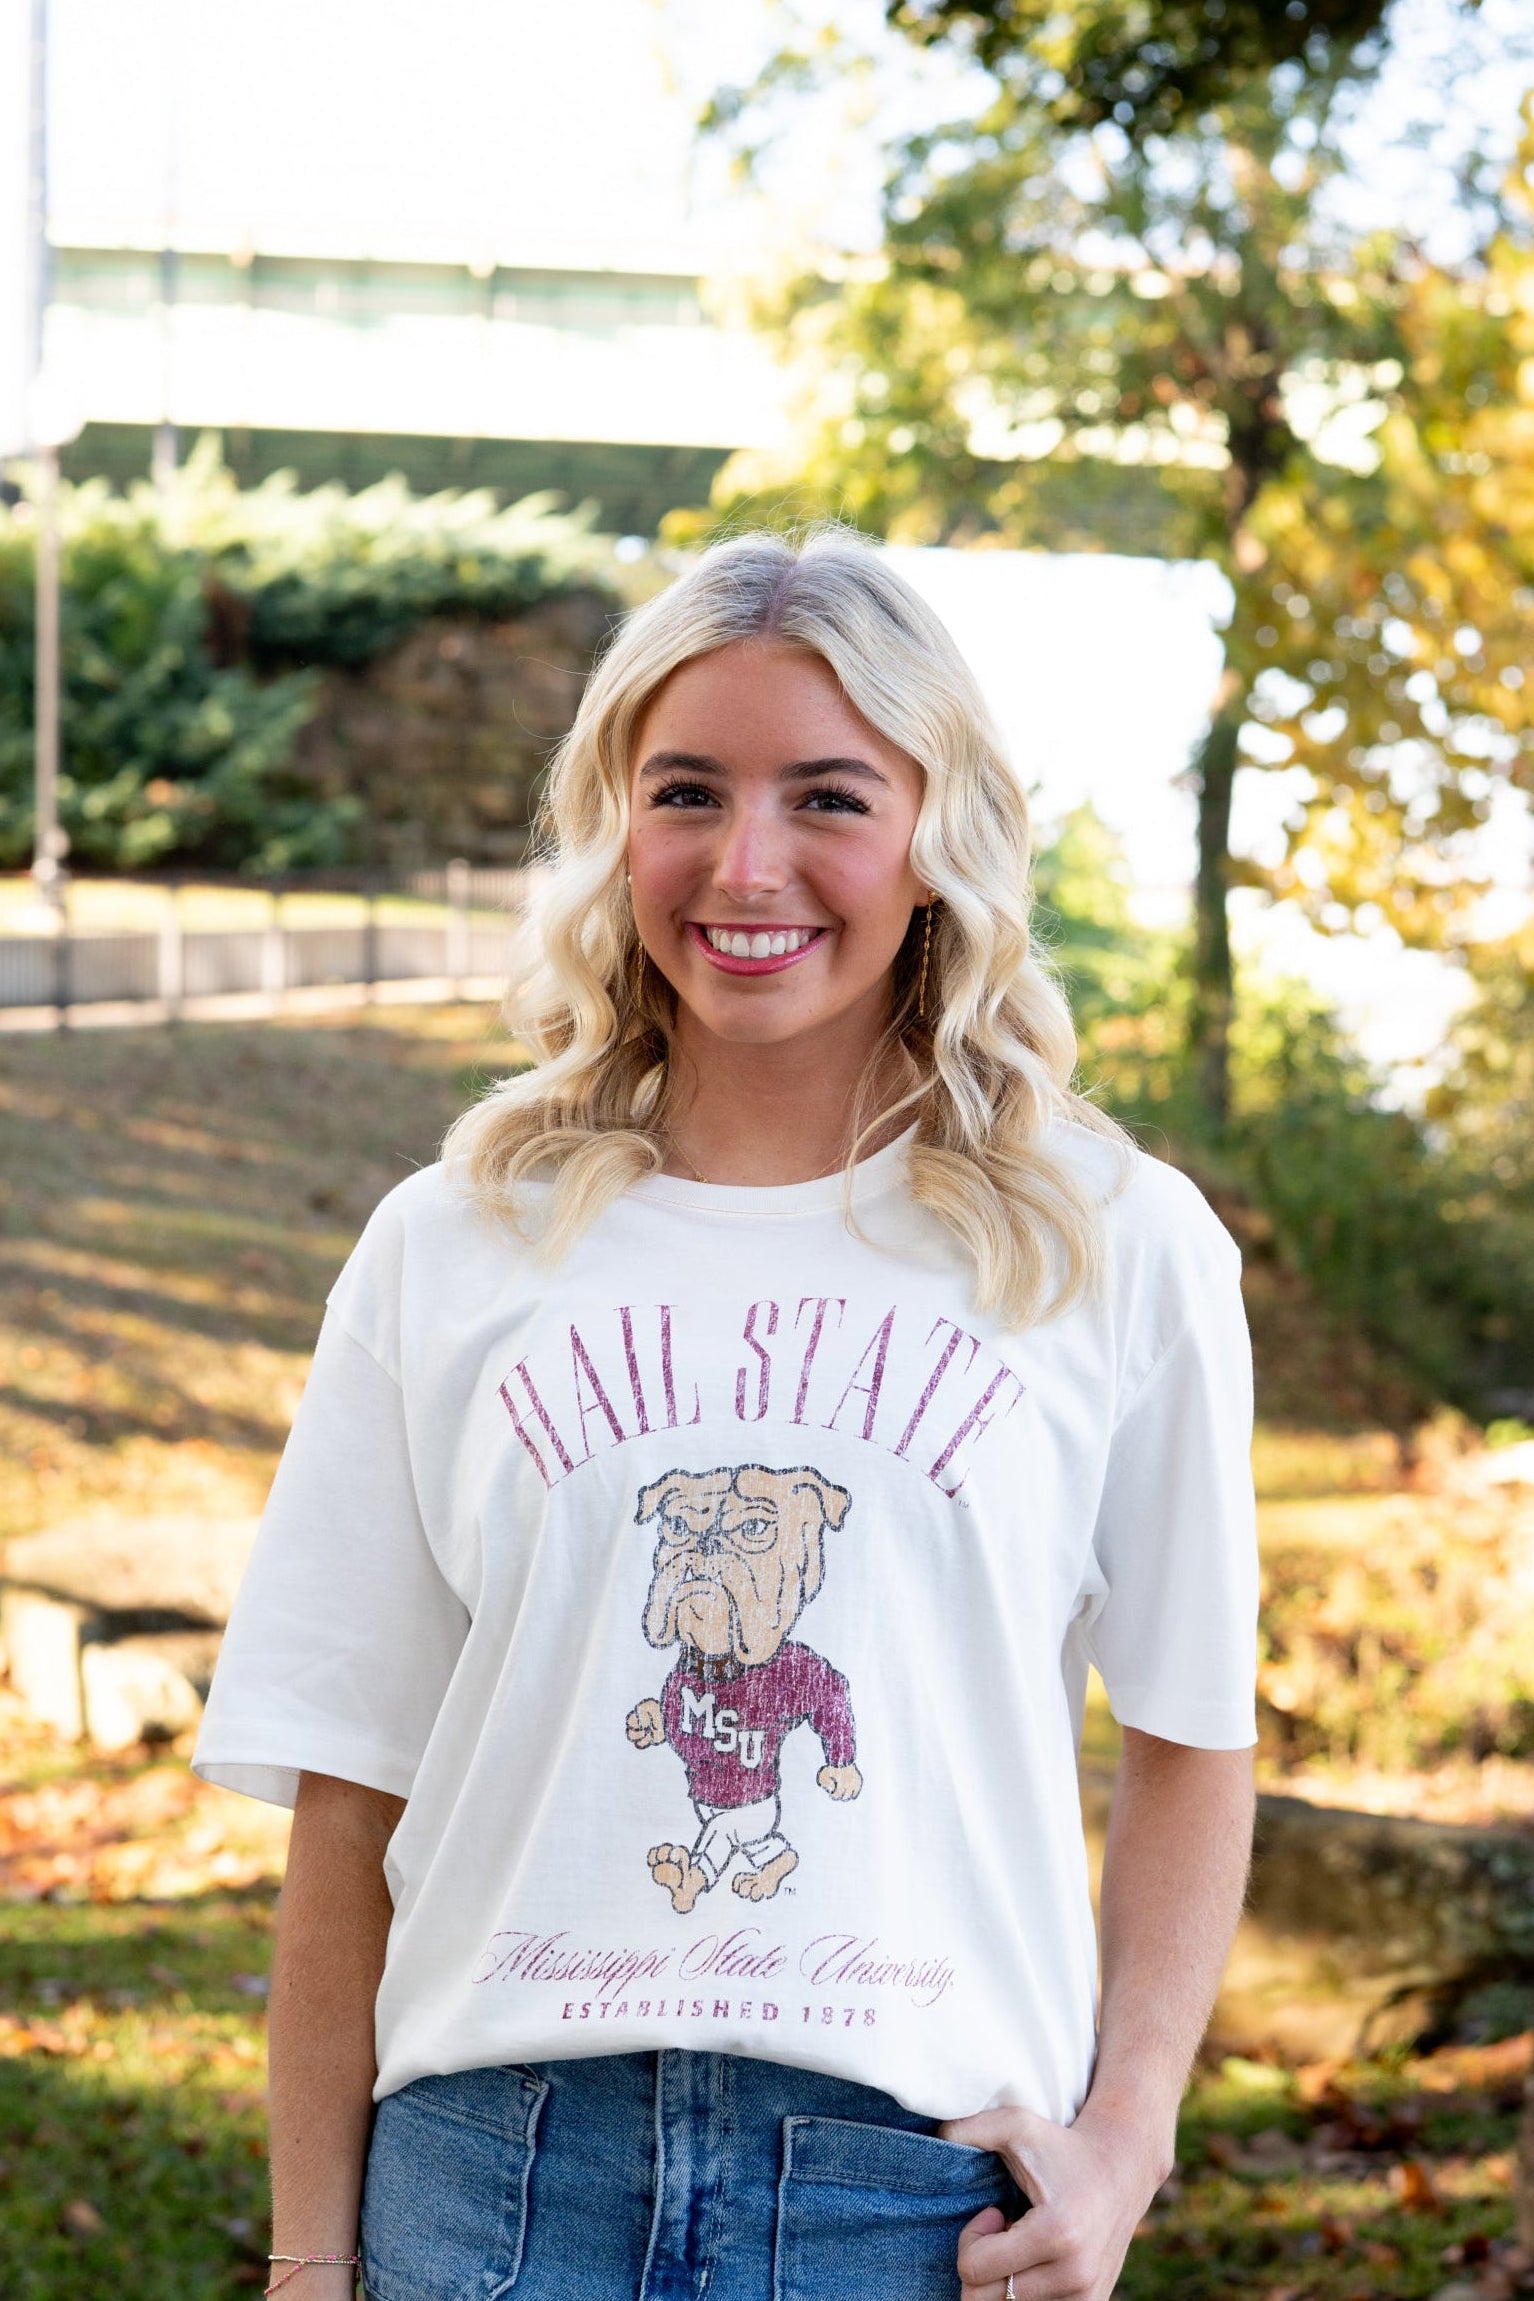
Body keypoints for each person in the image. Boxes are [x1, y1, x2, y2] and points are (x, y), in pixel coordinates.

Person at [194, 528, 1258, 2301]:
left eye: (827, 795)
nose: (745, 863)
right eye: (686, 790)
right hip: (489, 2180)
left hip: (909, 2208)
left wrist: (1125, 2144)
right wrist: (310, 2258)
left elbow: (1190, 1736)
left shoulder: (1110, 1245)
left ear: (937, 835)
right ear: (617, 823)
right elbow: (347, 1784)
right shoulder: (456, 1241)